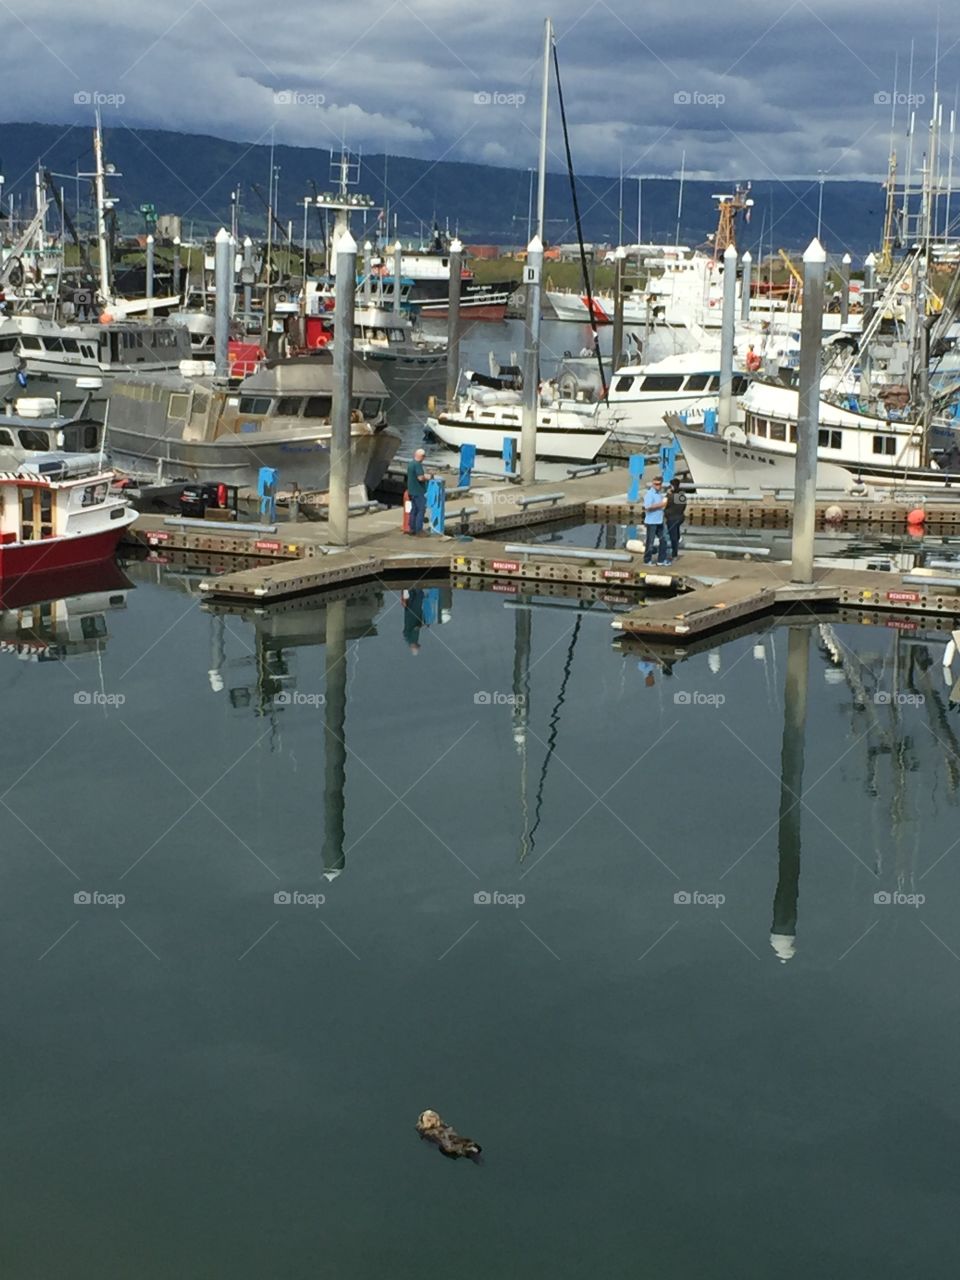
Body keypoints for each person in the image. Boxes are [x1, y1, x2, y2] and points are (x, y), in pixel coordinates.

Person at [642, 474, 671, 566]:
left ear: (661, 484)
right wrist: (661, 505)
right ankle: (647, 560)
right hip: (651, 522)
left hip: (659, 521)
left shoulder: (659, 494)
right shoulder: (649, 494)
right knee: (650, 542)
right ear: (652, 484)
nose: (657, 486)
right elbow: (647, 507)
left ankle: (661, 560)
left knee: (664, 540)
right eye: (655, 484)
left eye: (659, 484)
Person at [405, 448, 430, 535]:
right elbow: (420, 478)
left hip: (411, 490)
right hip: (418, 491)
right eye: (424, 456)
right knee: (421, 510)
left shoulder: (410, 464)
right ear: (422, 456)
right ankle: (419, 530)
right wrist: (427, 477)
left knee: (414, 510)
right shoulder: (418, 465)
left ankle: (412, 528)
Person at [664, 477, 687, 559]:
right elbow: (684, 506)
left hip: (672, 518)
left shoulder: (670, 497)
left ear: (673, 486)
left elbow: (664, 504)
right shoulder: (682, 496)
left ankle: (674, 554)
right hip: (680, 517)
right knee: (676, 535)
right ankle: (675, 551)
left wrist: (667, 494)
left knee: (673, 536)